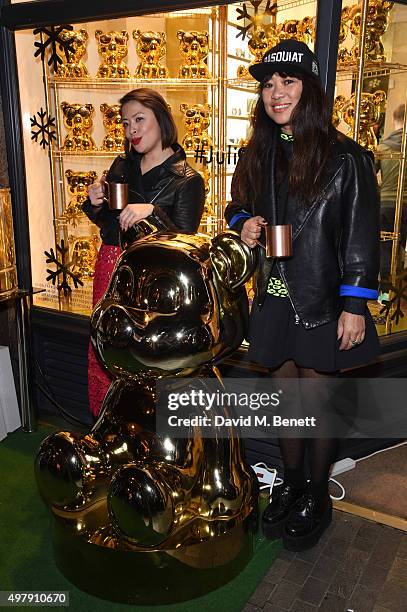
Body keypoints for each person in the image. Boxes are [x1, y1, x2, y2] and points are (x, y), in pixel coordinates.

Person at [225, 40, 380, 551]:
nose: (276, 93)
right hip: (272, 296)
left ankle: (317, 494)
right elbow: (235, 206)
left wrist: (355, 306)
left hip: (321, 301)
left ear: (309, 88)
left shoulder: (347, 157)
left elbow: (360, 236)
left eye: (287, 81)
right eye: (268, 84)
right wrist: (244, 223)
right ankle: (291, 485)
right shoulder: (259, 151)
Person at [83, 88, 205, 417]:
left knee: (150, 358)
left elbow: (185, 241)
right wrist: (96, 203)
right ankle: (105, 428)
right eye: (125, 123)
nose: (131, 130)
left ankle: (150, 436)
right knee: (104, 350)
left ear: (161, 119)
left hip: (155, 284)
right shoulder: (122, 166)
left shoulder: (188, 179)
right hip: (112, 266)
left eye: (139, 119)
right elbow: (109, 224)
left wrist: (151, 210)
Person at [376, 103, 407, 298]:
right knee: (401, 247)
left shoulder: (381, 146)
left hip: (385, 204)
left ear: (394, 120)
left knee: (385, 248)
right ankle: (398, 293)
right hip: (405, 205)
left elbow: (369, 179)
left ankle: (385, 295)